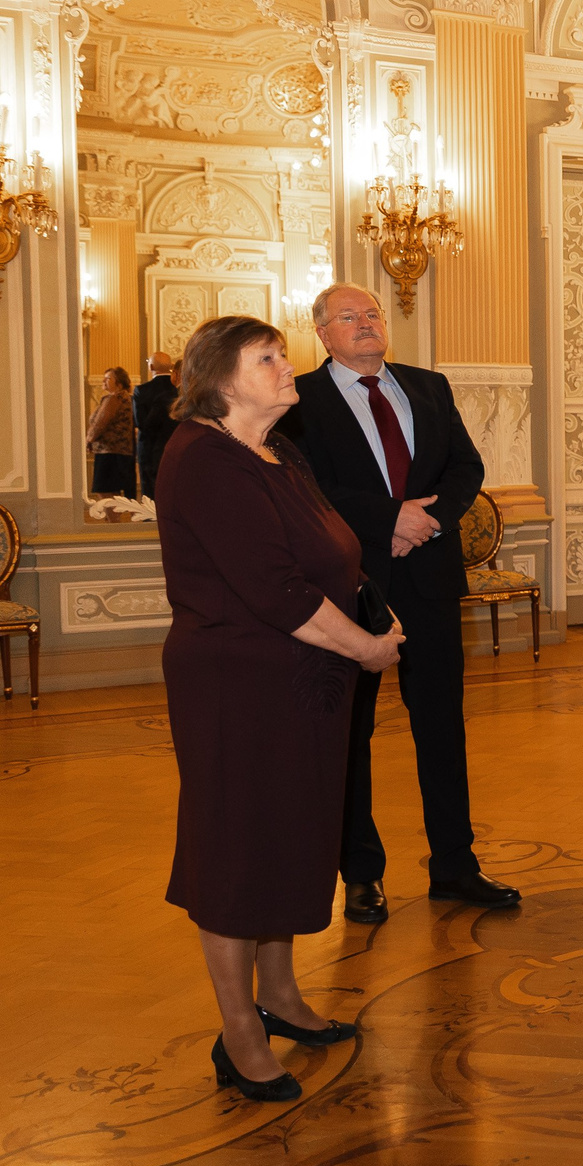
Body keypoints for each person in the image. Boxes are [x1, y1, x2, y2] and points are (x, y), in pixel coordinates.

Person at [157, 315, 404, 1103]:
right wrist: (366, 649)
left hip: (303, 684)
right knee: (238, 850)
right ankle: (240, 1032)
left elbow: (330, 551)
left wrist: (371, 615)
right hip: (238, 687)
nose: (287, 365)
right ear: (221, 378)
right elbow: (276, 590)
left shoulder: (278, 449)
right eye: (266, 357)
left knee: (288, 838)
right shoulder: (204, 459)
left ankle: (283, 996)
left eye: (281, 354)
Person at [288, 286, 519, 924]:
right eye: (348, 318)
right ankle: (361, 873)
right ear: (322, 334)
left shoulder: (428, 386)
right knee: (351, 732)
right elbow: (307, 486)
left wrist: (427, 522)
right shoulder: (301, 399)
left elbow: (465, 469)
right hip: (351, 584)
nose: (365, 324)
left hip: (430, 579)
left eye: (372, 314)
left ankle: (455, 865)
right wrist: (389, 518)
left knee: (442, 726)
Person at [87, 367, 138, 499]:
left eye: (108, 378)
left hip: (109, 451)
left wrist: (89, 439)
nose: (103, 380)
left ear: (119, 384)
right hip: (120, 451)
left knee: (104, 490)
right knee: (113, 491)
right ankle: (116, 513)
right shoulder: (125, 398)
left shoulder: (114, 399)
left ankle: (113, 514)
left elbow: (101, 422)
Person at [135, 351, 180, 499]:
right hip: (176, 447)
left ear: (151, 367)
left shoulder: (141, 390)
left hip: (149, 448)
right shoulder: (180, 392)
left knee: (150, 494)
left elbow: (140, 423)